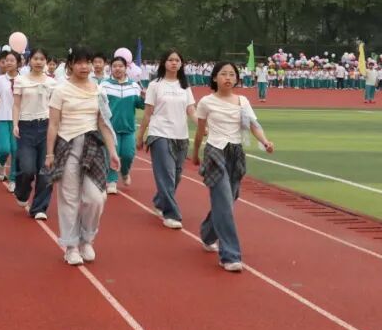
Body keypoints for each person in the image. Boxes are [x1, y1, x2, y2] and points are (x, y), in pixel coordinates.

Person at [192, 62, 275, 272]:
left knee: (229, 199)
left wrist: (265, 142)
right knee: (224, 200)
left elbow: (254, 125)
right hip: (215, 151)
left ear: (237, 79)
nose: (228, 78)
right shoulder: (206, 102)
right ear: (214, 78)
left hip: (235, 153)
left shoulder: (242, 101)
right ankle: (230, 255)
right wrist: (195, 154)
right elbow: (200, 131)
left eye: (232, 74)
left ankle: (207, 233)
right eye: (223, 74)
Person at [46, 46, 119, 266]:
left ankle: (87, 239)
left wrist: (113, 152)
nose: (84, 66)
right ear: (70, 65)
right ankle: (71, 246)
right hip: (67, 145)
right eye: (79, 62)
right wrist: (49, 153)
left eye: (88, 62)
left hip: (92, 147)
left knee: (96, 198)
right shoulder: (60, 90)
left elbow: (103, 124)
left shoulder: (98, 90)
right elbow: (53, 124)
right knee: (69, 198)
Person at [136, 49, 196, 230]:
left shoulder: (184, 86)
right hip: (160, 133)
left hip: (181, 135)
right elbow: (148, 113)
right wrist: (140, 136)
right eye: (170, 60)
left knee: (176, 176)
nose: (174, 63)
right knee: (167, 175)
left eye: (177, 60)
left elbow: (191, 110)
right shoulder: (155, 85)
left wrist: (203, 126)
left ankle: (159, 201)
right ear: (164, 63)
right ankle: (171, 214)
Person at [12, 48, 56, 219]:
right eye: (35, 58)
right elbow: (16, 104)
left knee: (46, 171)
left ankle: (39, 208)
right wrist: (15, 124)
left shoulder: (52, 83)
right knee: (28, 169)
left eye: (42, 59)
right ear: (29, 60)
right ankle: (22, 191)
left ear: (46, 61)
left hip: (46, 127)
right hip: (26, 127)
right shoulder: (21, 80)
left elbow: (55, 108)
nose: (38, 62)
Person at [101, 55, 144, 192]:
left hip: (128, 128)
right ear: (111, 68)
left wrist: (143, 98)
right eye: (114, 66)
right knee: (112, 154)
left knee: (127, 155)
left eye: (120, 66)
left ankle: (125, 172)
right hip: (110, 128)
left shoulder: (134, 86)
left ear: (126, 68)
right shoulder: (104, 85)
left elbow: (141, 105)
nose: (117, 69)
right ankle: (112, 181)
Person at [0, 51, 20, 192]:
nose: (8, 63)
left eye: (12, 60)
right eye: (7, 60)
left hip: (18, 120)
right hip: (1, 118)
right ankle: (1, 164)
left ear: (18, 63)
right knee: (4, 149)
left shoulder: (23, 80)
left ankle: (13, 179)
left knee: (15, 150)